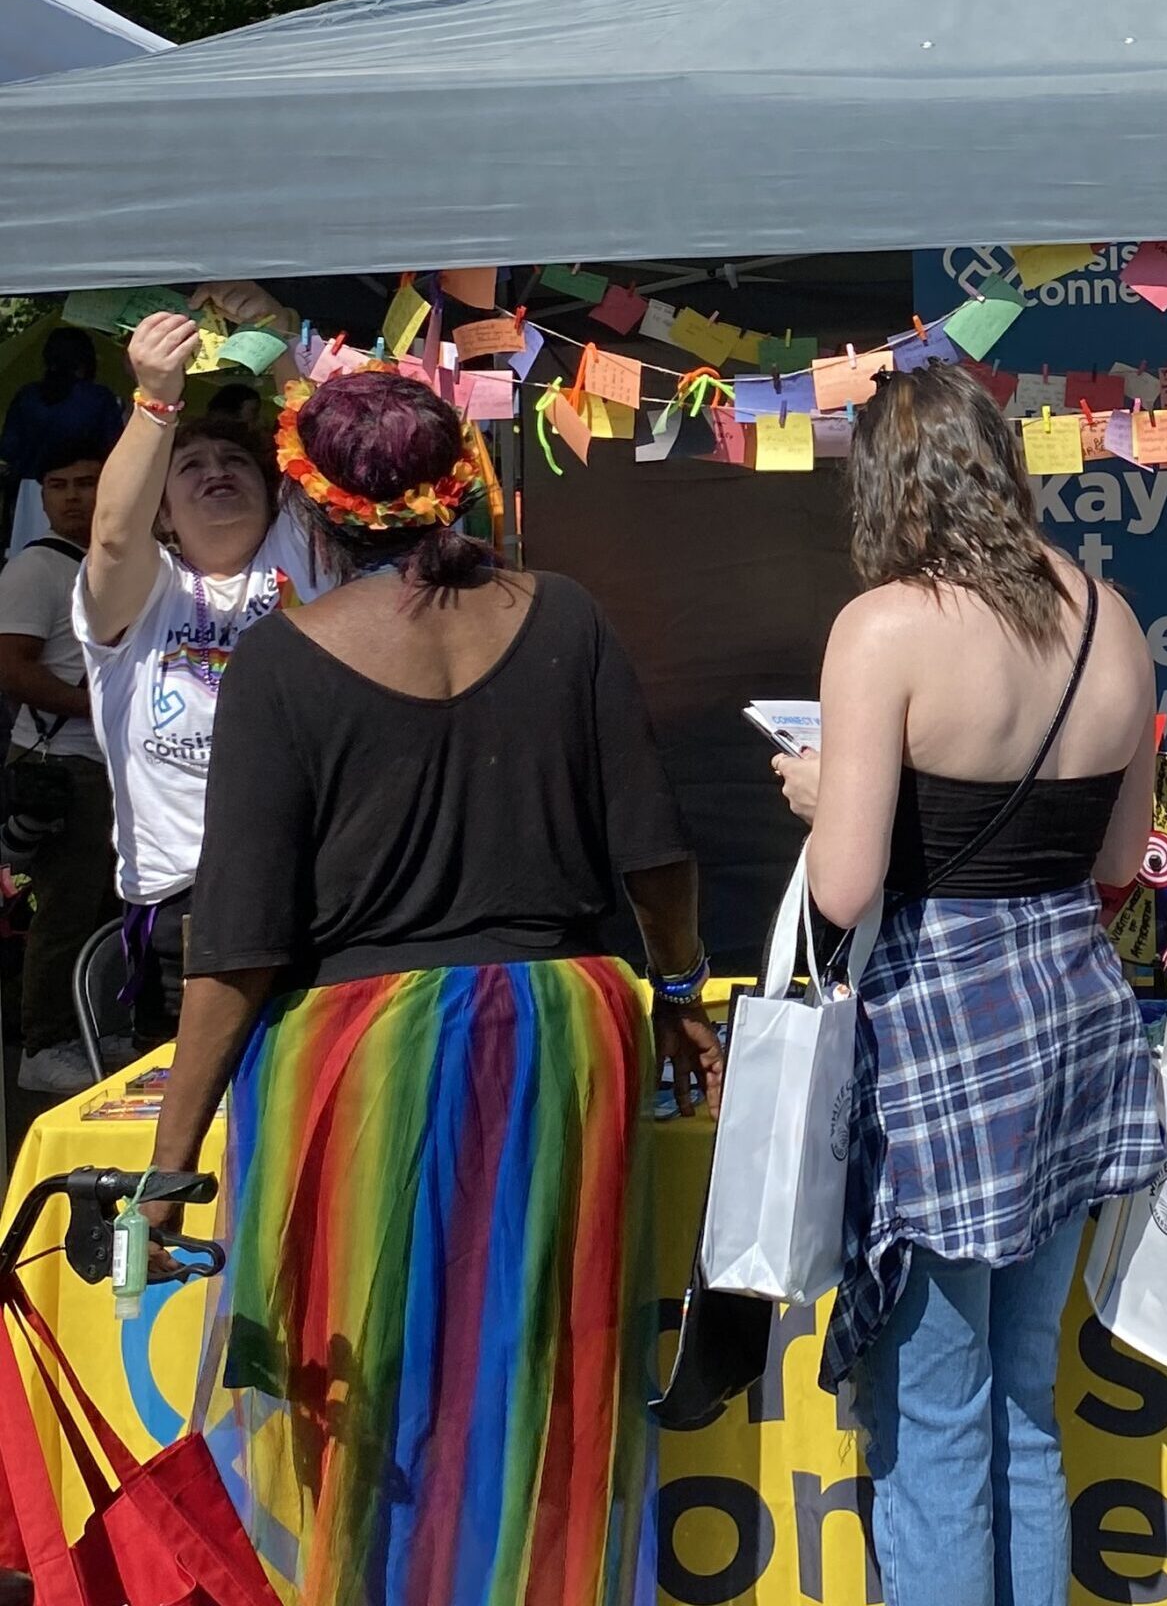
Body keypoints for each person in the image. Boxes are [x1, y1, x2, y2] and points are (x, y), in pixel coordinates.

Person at [152, 366, 722, 1606]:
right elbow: (657, 850)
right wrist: (676, 989)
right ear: (461, 478)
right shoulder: (564, 615)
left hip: (364, 1054)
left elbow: (237, 943)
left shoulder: (280, 664)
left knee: (370, 1388)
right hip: (565, 1038)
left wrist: (169, 1153)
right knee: (537, 1360)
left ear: (317, 508)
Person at [770, 362, 1163, 1606]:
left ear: (885, 486)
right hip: (1074, 1007)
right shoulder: (1109, 614)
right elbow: (1119, 861)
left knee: (934, 1411)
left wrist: (817, 786)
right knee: (1025, 1403)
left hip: (942, 1022)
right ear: (1006, 463)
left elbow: (842, 889)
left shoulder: (883, 624)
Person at [78, 294, 323, 1047]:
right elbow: (114, 537)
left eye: (233, 461)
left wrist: (283, 338)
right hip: (186, 912)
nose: (217, 471)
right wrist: (157, 402)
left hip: (320, 893)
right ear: (163, 509)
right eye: (191, 465)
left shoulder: (307, 557)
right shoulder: (144, 590)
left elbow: (324, 461)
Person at [0, 434, 125, 1092]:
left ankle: (90, 1030)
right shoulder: (34, 571)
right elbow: (14, 672)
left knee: (107, 904)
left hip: (110, 766)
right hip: (62, 764)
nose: (74, 496)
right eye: (60, 486)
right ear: (42, 496)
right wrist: (100, 707)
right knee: (66, 909)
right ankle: (42, 1045)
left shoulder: (116, 560)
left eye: (86, 482)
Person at [3, 328, 123, 556]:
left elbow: (9, 448)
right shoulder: (99, 397)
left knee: (31, 560)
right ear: (86, 359)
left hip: (32, 493)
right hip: (85, 488)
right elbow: (116, 451)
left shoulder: (27, 395)